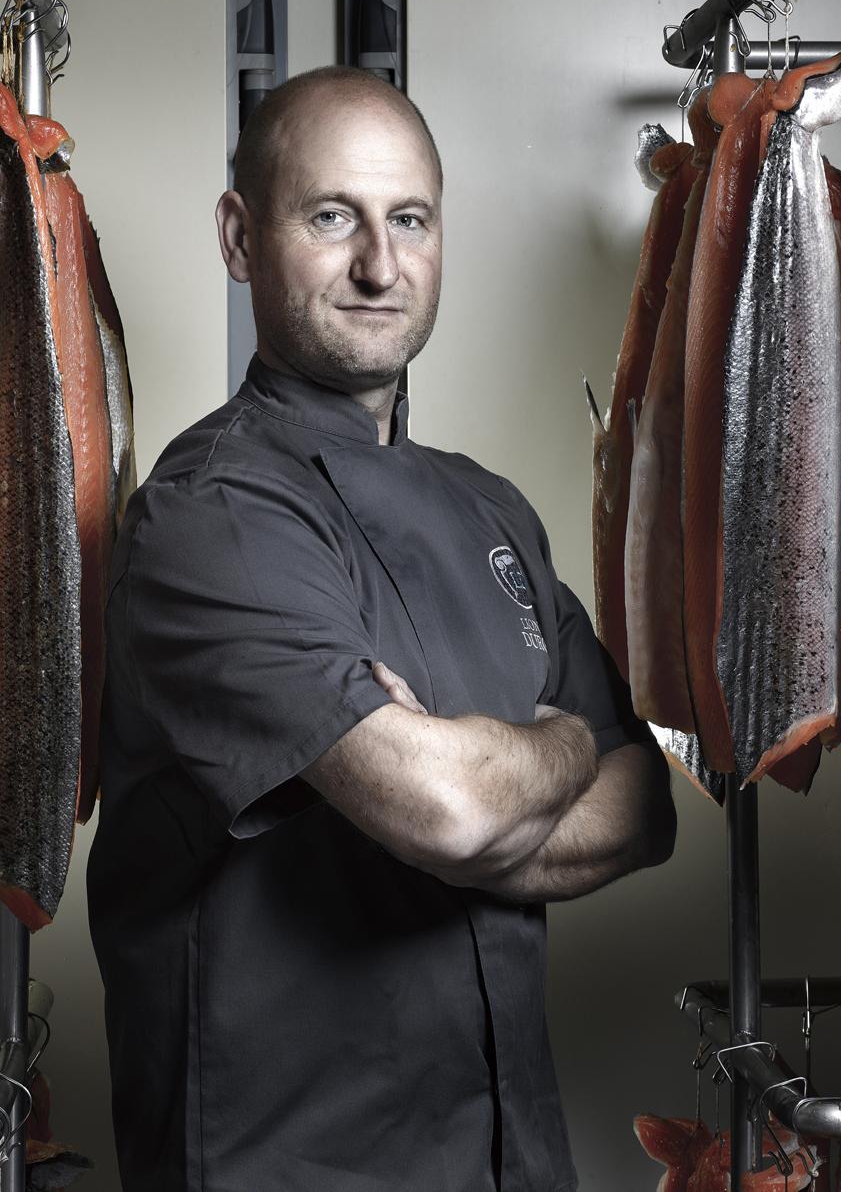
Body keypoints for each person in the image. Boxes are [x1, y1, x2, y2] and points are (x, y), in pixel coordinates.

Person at [87, 65, 676, 1191]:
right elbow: (453, 810)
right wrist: (554, 748)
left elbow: (644, 802)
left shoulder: (489, 506)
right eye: (330, 218)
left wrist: (472, 786)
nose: (378, 264)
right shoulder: (211, 513)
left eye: (409, 219)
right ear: (238, 236)